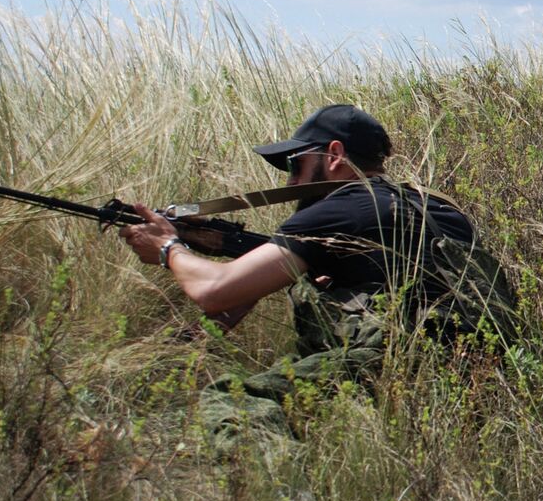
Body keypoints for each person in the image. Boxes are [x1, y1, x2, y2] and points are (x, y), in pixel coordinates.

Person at [118, 103, 514, 452]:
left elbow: (213, 290)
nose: (290, 182)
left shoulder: (339, 209)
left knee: (232, 400)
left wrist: (169, 247)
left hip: (402, 367)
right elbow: (232, 305)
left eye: (295, 164)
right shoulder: (440, 209)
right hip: (488, 375)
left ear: (334, 155)